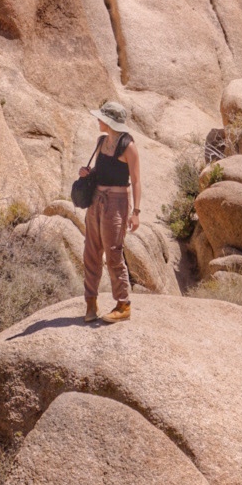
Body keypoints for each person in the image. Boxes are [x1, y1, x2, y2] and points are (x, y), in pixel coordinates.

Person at [79, 100, 141, 323]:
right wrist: (87, 173)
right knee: (91, 251)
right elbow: (100, 170)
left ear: (109, 121)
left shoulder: (128, 146)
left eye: (101, 118)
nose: (98, 120)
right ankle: (91, 303)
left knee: (113, 252)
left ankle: (123, 305)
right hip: (96, 199)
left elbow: (136, 180)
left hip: (117, 202)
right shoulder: (101, 141)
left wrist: (136, 212)